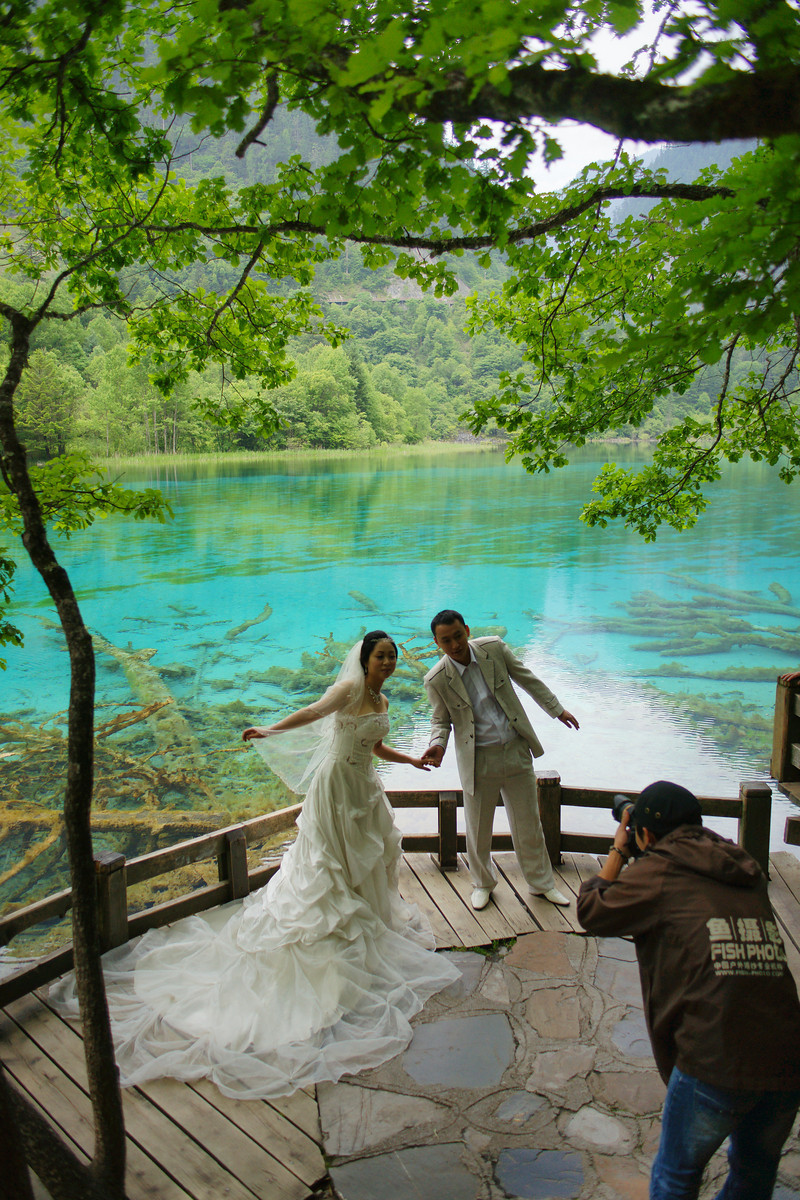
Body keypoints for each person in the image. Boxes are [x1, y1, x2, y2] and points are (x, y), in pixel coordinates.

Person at [51, 631, 460, 1099]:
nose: (387, 662)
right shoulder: (348, 690)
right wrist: (271, 730)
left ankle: (361, 922)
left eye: (391, 656)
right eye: (379, 656)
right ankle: (327, 932)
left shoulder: (381, 697)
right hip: (335, 789)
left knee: (363, 859)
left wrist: (410, 759)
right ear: (364, 659)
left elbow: (372, 748)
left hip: (363, 788)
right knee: (327, 864)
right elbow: (313, 713)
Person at [577, 780, 800, 1200]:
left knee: (676, 1178)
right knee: (753, 1175)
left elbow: (593, 910)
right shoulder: (741, 865)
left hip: (717, 1055)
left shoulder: (658, 870)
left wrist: (620, 851)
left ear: (645, 834)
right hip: (787, 1051)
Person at [422, 609, 580, 911]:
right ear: (436, 643)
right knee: (478, 827)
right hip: (478, 758)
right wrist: (438, 746)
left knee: (528, 823)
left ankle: (541, 883)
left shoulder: (493, 648)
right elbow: (440, 721)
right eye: (446, 640)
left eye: (458, 635)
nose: (454, 644)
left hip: (515, 748)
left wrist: (557, 709)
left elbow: (526, 678)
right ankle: (482, 884)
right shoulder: (437, 679)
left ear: (467, 629)